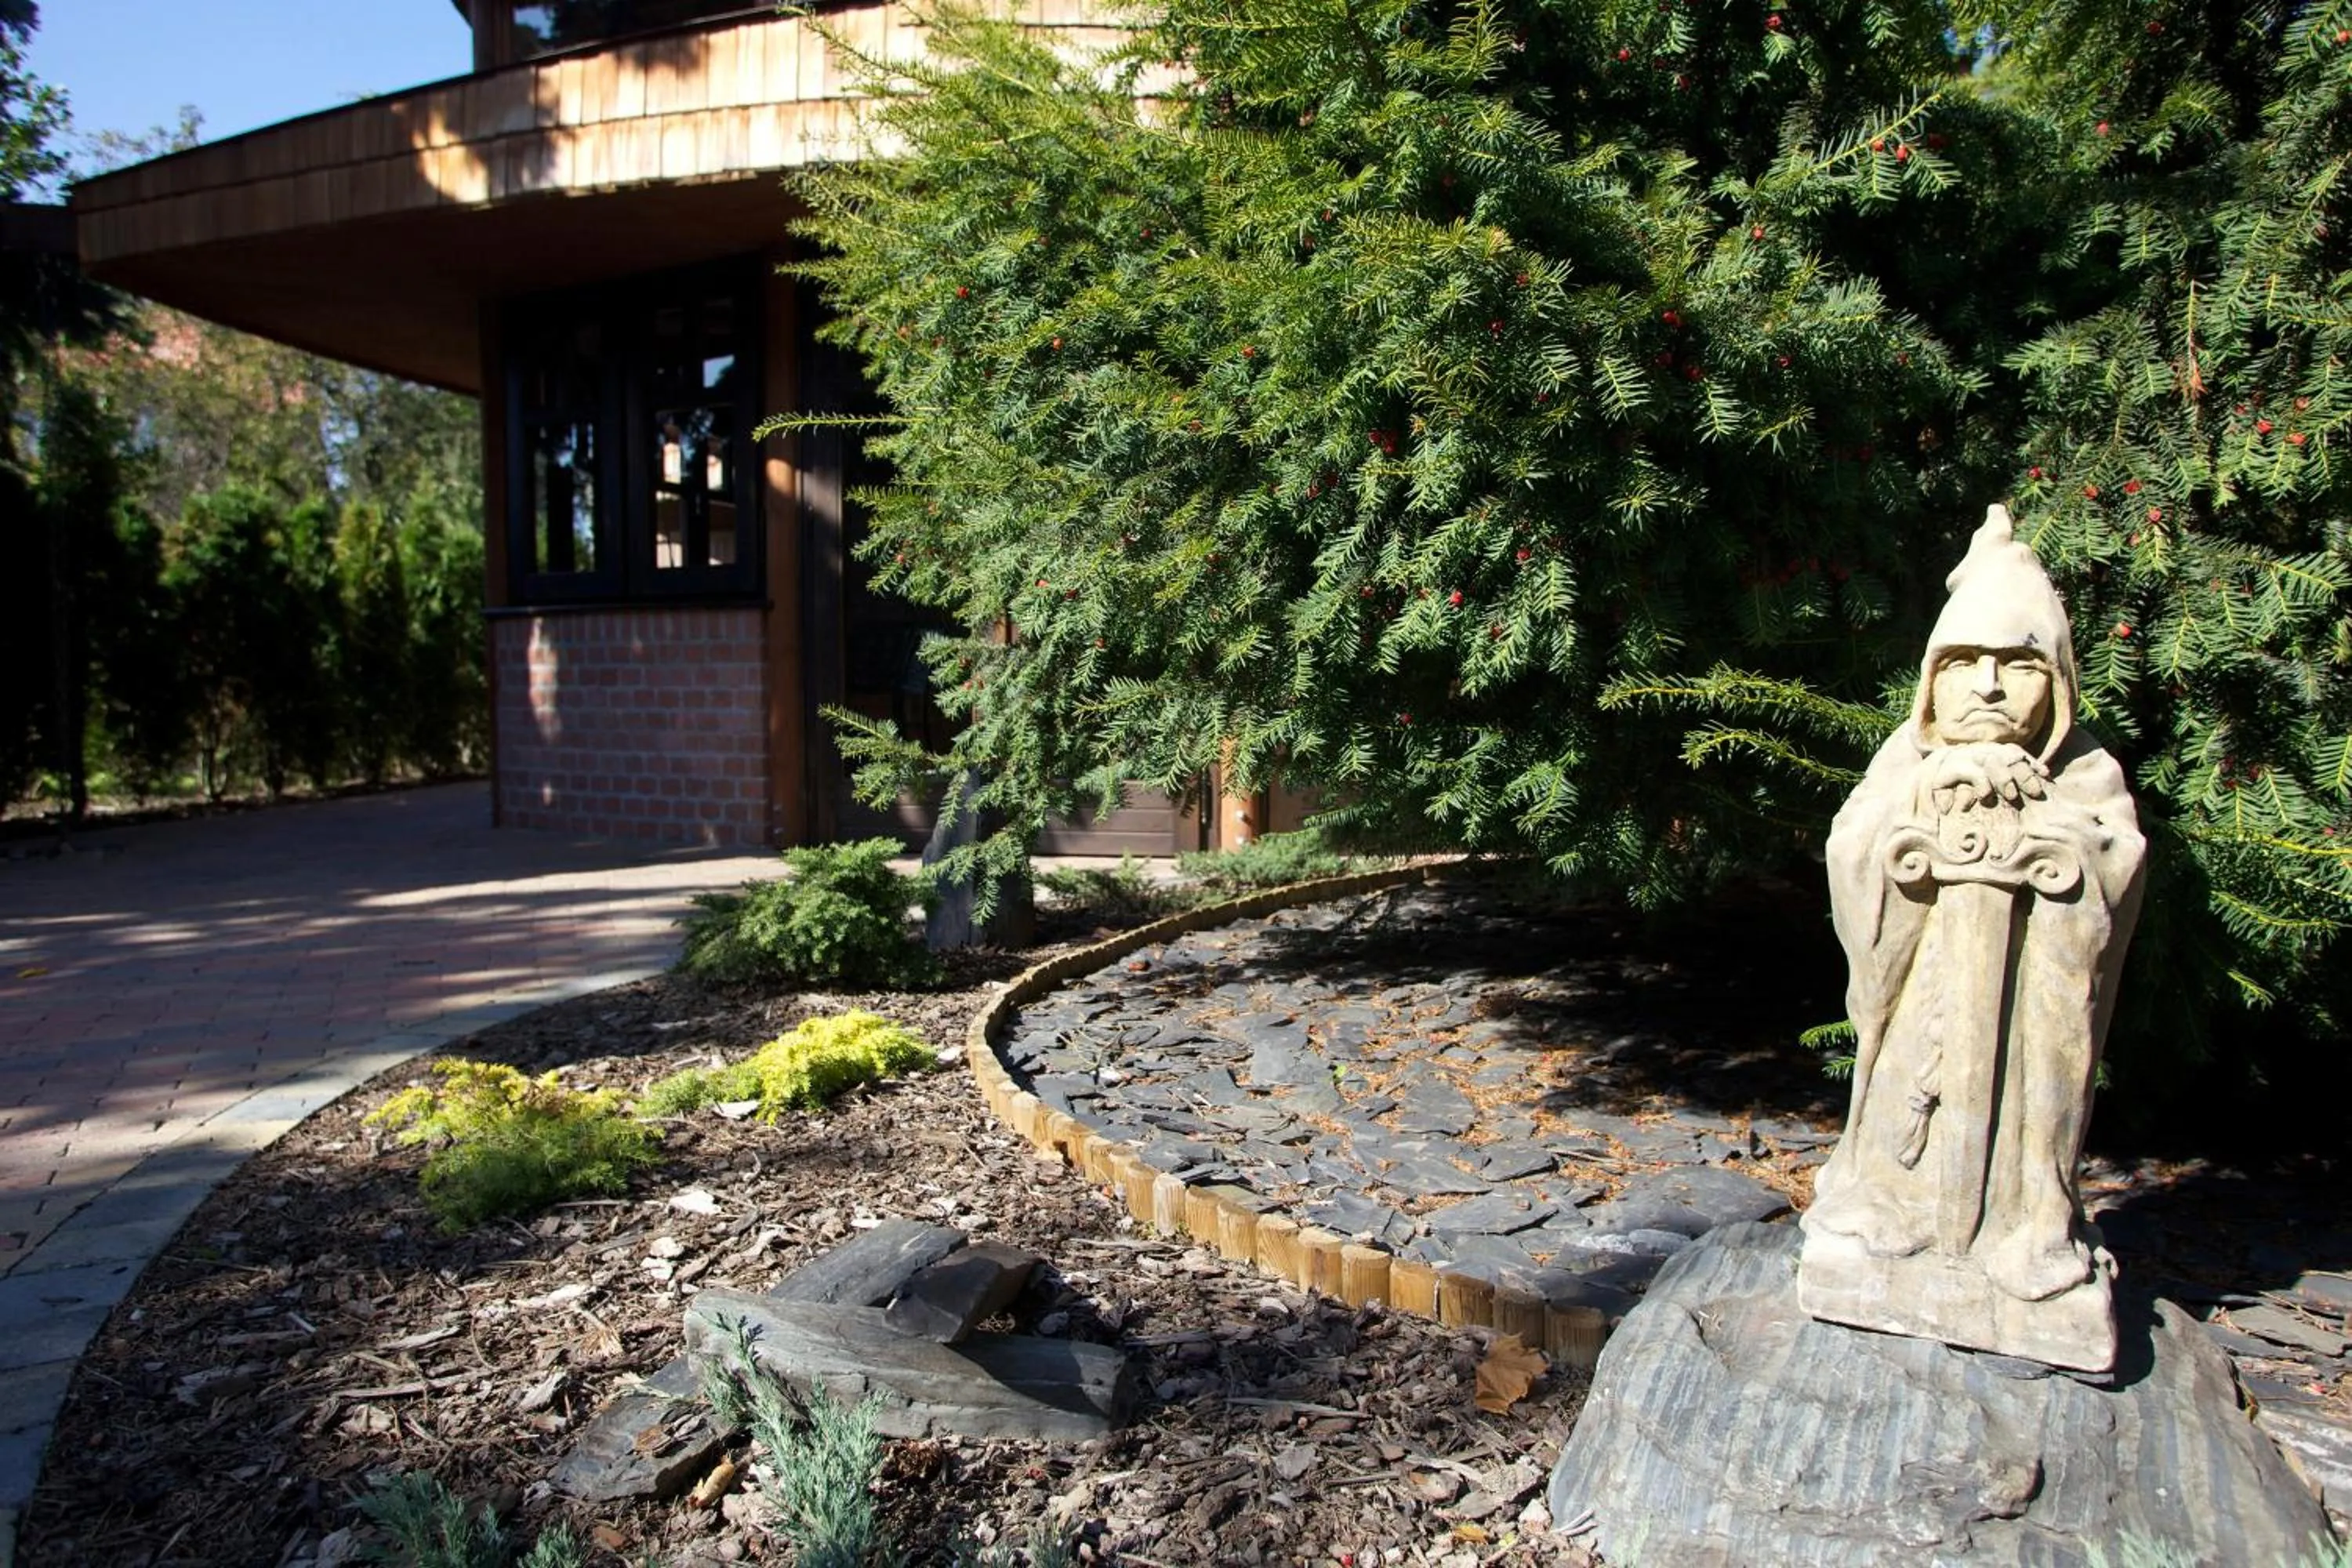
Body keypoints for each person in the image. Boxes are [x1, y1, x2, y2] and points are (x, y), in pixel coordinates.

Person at [1803, 506, 2146, 1321]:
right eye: (1965, 662)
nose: (1988, 684)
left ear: (2056, 681)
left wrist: (2061, 843)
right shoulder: (1907, 758)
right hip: (1927, 1008)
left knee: (2030, 1098)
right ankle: (1895, 1199)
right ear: (1933, 679)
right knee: (1902, 1098)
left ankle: (2025, 1223)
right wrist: (1918, 816)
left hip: (2023, 1025)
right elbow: (1855, 850)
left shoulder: (2084, 768)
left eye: (2018, 664)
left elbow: (2114, 864)